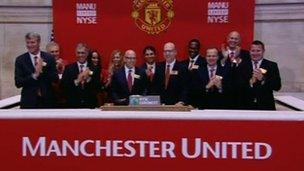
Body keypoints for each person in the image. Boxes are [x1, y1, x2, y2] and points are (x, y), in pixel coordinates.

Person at [14, 32, 58, 108]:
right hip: (29, 102)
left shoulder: (49, 58)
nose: (30, 45)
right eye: (28, 43)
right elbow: (18, 83)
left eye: (32, 42)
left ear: (39, 43)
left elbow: (55, 79)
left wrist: (43, 69)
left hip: (47, 102)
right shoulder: (20, 60)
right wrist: (34, 76)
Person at [244, 40, 281, 110]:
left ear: (263, 51)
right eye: (253, 50)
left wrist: (263, 79)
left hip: (266, 106)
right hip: (246, 106)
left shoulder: (272, 65)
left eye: (258, 51)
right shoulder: (242, 65)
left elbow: (277, 86)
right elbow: (237, 86)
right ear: (249, 51)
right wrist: (250, 83)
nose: (255, 53)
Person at [61, 43, 101, 108]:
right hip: (73, 105)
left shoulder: (94, 68)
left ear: (87, 54)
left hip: (90, 105)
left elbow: (98, 88)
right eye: (78, 53)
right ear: (76, 53)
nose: (80, 55)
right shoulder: (69, 68)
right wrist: (77, 81)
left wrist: (88, 79)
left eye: (83, 53)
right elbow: (63, 87)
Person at [46, 41, 66, 108]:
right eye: (52, 52)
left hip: (63, 101)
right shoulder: (43, 66)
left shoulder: (66, 65)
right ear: (47, 53)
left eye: (56, 51)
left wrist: (63, 70)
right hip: (48, 101)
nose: (55, 54)